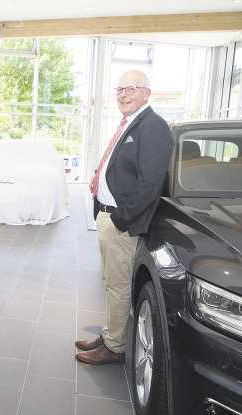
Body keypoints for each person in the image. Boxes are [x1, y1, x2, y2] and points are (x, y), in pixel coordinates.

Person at [75, 70, 173, 364]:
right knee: (110, 281)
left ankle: (115, 347)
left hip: (121, 223)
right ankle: (110, 334)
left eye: (131, 89)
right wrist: (98, 174)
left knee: (118, 287)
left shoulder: (154, 126)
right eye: (120, 89)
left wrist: (121, 220)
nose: (124, 94)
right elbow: (123, 166)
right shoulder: (131, 123)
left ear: (147, 92)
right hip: (108, 217)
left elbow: (150, 183)